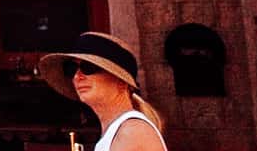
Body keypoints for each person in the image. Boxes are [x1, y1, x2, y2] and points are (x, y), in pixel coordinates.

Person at [38, 33, 168, 151]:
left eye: (89, 67)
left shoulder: (131, 133)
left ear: (121, 81)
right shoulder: (119, 130)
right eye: (71, 69)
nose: (77, 76)